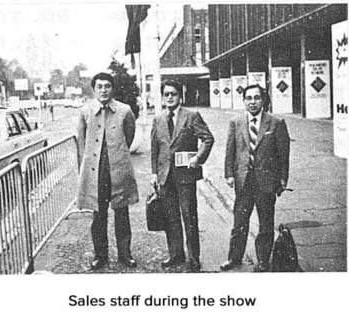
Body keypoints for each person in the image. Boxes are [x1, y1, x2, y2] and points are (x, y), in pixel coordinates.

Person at [220, 84, 290, 272]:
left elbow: (283, 154)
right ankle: (234, 258)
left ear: (263, 100)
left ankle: (263, 261)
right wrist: (229, 173)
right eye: (249, 98)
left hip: (266, 182)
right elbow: (230, 150)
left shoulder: (276, 123)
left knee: (266, 224)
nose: (252, 102)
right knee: (239, 223)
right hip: (243, 181)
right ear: (244, 101)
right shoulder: (236, 122)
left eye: (256, 98)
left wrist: (283, 180)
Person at [76, 72, 139, 270]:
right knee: (98, 215)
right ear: (94, 89)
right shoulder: (85, 112)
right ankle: (100, 255)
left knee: (122, 213)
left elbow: (129, 136)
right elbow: (81, 143)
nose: (103, 90)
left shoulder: (124, 110)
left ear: (112, 88)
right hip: (96, 172)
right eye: (99, 86)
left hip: (118, 170)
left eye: (107, 86)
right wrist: (84, 171)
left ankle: (124, 253)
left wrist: (118, 155)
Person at [150, 80, 214, 272]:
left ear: (180, 96)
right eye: (167, 94)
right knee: (171, 218)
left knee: (189, 216)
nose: (170, 97)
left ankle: (194, 258)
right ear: (162, 97)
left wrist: (198, 157)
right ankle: (175, 254)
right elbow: (155, 149)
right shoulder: (158, 119)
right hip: (165, 177)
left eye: (174, 94)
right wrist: (154, 173)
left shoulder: (192, 116)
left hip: (185, 176)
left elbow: (208, 139)